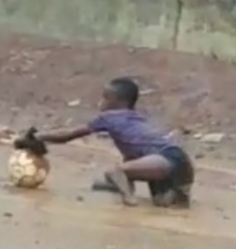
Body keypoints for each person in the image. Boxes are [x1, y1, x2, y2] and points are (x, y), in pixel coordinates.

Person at [14, 77, 194, 208]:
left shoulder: (108, 117)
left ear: (118, 102)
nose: (101, 102)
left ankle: (129, 200)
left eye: (105, 98)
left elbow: (69, 134)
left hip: (163, 160)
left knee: (114, 171)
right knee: (161, 203)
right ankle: (177, 194)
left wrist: (40, 136)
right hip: (181, 163)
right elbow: (135, 154)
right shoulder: (137, 119)